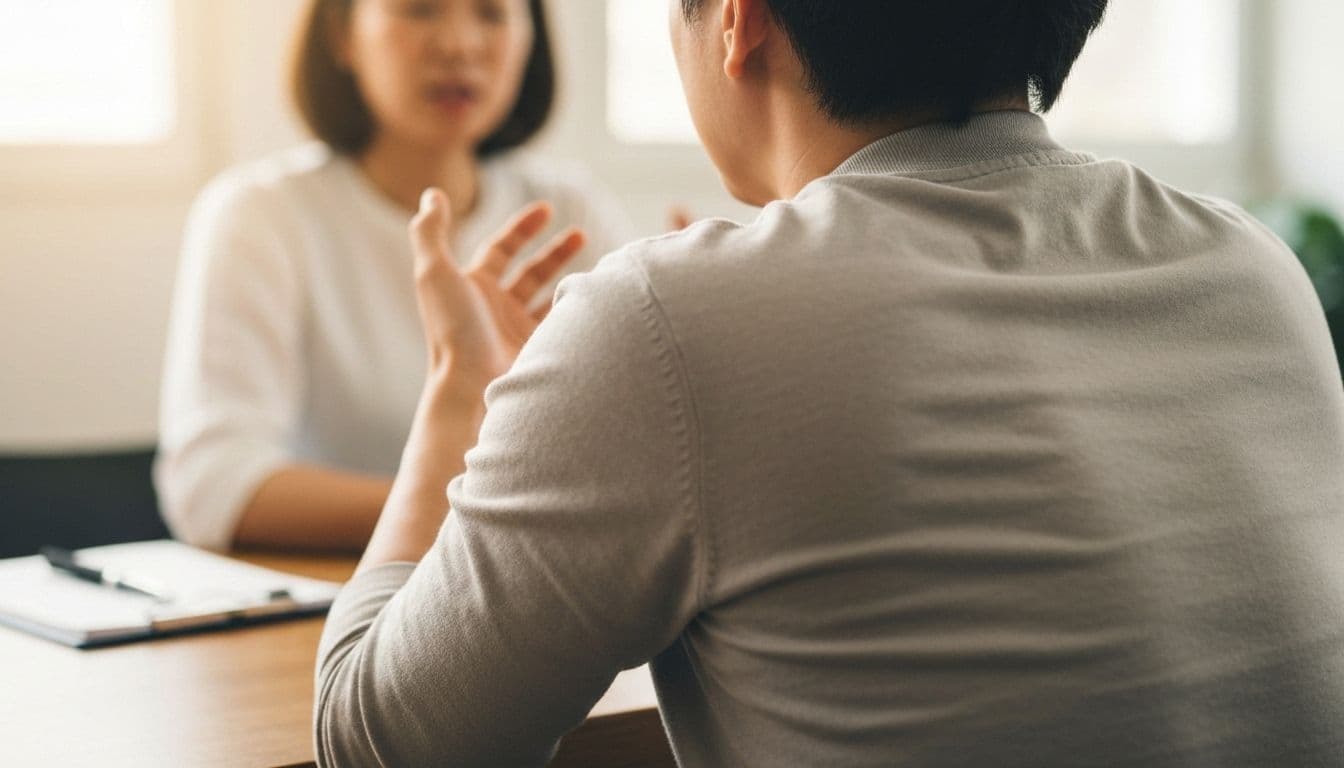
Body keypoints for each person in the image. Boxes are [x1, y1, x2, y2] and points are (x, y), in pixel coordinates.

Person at [315, 0, 1344, 765]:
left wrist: (459, 393)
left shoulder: (667, 319)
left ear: (737, 21)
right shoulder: (1251, 266)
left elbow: (382, 744)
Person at [156, 0, 634, 552]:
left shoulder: (570, 210)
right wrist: (465, 514)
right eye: (419, 9)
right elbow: (213, 487)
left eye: (492, 13)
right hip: (338, 591)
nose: (458, 45)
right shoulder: (260, 214)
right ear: (343, 35)